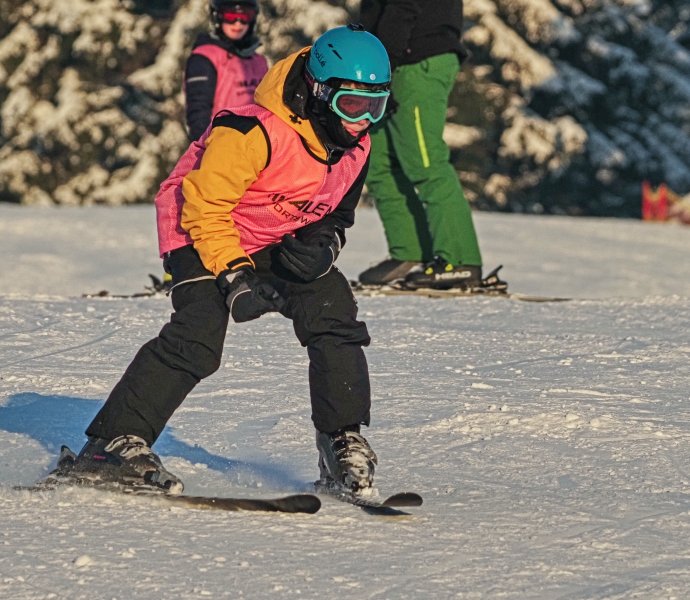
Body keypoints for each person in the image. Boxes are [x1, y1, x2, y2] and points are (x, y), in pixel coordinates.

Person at [49, 25, 392, 497]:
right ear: (318, 92)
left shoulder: (356, 146)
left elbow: (337, 214)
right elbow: (204, 206)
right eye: (352, 105)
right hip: (199, 229)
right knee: (198, 336)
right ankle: (110, 445)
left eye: (376, 106)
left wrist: (322, 246)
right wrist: (235, 276)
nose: (362, 121)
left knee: (332, 306)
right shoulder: (252, 132)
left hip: (270, 234)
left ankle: (341, 440)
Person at [357, 0, 488, 290]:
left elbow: (403, 6)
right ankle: (410, 251)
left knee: (425, 163)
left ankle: (460, 260)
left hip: (417, 58)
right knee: (378, 163)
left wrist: (384, 65)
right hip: (392, 60)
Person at [185, 0, 268, 141]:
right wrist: (206, 147)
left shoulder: (259, 61)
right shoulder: (205, 58)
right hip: (222, 143)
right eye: (231, 16)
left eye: (245, 16)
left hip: (256, 144)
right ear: (218, 17)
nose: (238, 23)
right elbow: (198, 112)